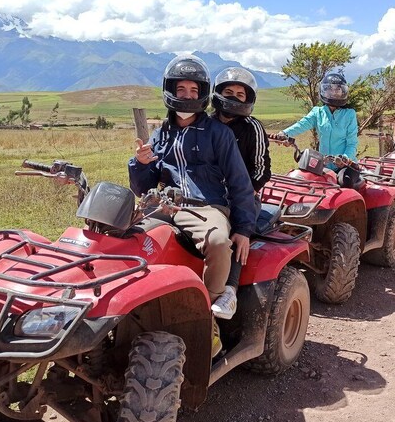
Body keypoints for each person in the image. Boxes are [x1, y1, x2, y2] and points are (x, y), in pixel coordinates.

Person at [128, 55, 256, 329]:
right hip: (163, 207)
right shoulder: (160, 134)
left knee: (219, 242)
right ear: (171, 90)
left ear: (203, 94)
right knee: (125, 238)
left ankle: (206, 317)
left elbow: (239, 180)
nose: (187, 95)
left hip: (206, 206)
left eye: (194, 90)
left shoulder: (218, 133)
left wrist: (244, 228)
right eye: (182, 89)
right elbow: (142, 188)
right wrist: (139, 164)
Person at [208, 66, 271, 319]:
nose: (233, 97)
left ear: (248, 99)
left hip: (243, 197)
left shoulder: (252, 128)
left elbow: (262, 170)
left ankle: (229, 291)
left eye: (240, 94)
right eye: (228, 91)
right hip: (206, 196)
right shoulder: (206, 123)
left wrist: (243, 195)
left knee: (235, 229)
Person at [272, 72, 358, 169]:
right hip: (323, 165)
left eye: (337, 89)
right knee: (306, 178)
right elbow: (301, 124)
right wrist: (284, 133)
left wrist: (345, 158)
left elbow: (352, 143)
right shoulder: (318, 112)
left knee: (344, 180)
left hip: (345, 166)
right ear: (324, 91)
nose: (334, 93)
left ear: (343, 92)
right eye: (330, 89)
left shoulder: (350, 114)